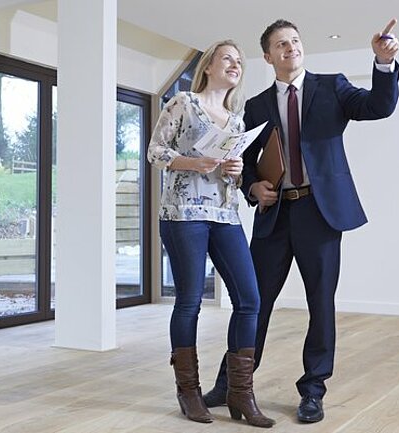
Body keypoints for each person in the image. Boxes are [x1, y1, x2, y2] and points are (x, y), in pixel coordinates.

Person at [203, 19, 399, 423]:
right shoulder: (256, 106)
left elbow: (378, 107)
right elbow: (243, 161)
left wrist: (383, 64)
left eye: (294, 41)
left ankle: (313, 390)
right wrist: (253, 186)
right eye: (281, 44)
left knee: (320, 304)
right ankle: (232, 383)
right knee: (252, 303)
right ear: (268, 56)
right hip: (275, 215)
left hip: (320, 213)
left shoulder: (333, 87)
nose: (290, 47)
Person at [148, 40, 274, 428]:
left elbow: (230, 176)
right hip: (183, 213)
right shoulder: (183, 103)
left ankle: (240, 392)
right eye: (227, 59)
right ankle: (189, 392)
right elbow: (155, 151)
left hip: (225, 215)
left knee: (250, 300)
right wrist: (194, 162)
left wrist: (235, 171)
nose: (235, 65)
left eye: (239, 61)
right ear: (208, 67)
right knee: (189, 301)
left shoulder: (236, 121)